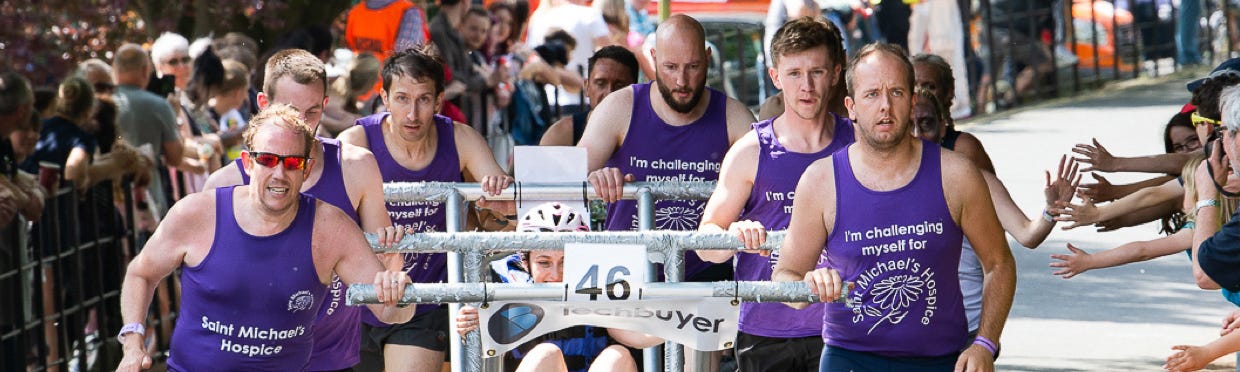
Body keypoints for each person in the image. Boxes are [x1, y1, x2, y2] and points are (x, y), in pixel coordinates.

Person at [771, 43, 1016, 370]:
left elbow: (999, 263)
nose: (885, 106)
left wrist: (985, 343)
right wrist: (808, 285)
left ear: (913, 101)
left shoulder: (956, 174)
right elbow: (784, 276)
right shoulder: (820, 181)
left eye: (896, 92)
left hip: (941, 358)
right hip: (850, 357)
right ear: (851, 106)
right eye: (872, 94)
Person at [116, 104, 413, 371]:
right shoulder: (196, 214)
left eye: (292, 163)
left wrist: (400, 291)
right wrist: (132, 344)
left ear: (306, 168)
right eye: (267, 160)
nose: (279, 174)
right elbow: (141, 273)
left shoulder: (330, 227)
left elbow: (389, 312)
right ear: (247, 163)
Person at [202, 48, 397, 372]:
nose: (303, 126)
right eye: (291, 111)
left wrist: (392, 261)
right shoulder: (223, 184)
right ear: (263, 104)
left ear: (325, 106)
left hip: (331, 358)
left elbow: (382, 263)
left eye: (312, 113)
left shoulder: (355, 166)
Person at [338, 45, 513, 372]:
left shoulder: (459, 138)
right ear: (385, 97)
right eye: (402, 98)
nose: (412, 114)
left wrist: (495, 195)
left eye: (423, 99)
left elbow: (502, 194)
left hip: (425, 299)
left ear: (439, 100)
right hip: (358, 298)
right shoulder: (356, 140)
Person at [693, 17, 850, 371]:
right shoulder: (752, 151)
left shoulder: (858, 144)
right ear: (775, 76)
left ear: (836, 73)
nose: (806, 85)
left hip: (844, 325)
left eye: (817, 72)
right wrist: (733, 236)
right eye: (794, 73)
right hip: (765, 330)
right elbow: (706, 239)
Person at [580, 14, 754, 282]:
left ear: (708, 58)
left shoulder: (734, 118)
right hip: (625, 277)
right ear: (653, 58)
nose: (681, 81)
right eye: (670, 67)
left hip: (706, 280)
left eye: (693, 66)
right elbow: (565, 179)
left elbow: (767, 192)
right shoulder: (620, 107)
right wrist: (595, 178)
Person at [455, 202, 662, 371]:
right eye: (544, 263)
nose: (556, 275)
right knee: (545, 354)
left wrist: (686, 322)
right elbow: (482, 345)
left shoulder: (601, 285)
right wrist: (471, 327)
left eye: (566, 261)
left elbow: (637, 336)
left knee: (617, 356)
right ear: (525, 263)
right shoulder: (503, 286)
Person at [112, 43, 184, 218]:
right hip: (149, 190)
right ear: (146, 70)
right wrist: (174, 118)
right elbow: (175, 157)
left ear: (115, 70)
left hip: (111, 193)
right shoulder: (159, 106)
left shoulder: (102, 102)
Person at [539, 45, 639, 146]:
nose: (609, 93)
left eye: (619, 86)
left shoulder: (649, 131)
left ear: (636, 90)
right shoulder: (563, 133)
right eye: (601, 84)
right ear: (587, 87)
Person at [345, 0, 431, 98]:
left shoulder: (356, 11)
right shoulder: (409, 13)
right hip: (386, 97)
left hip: (356, 93)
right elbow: (406, 65)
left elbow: (350, 50)